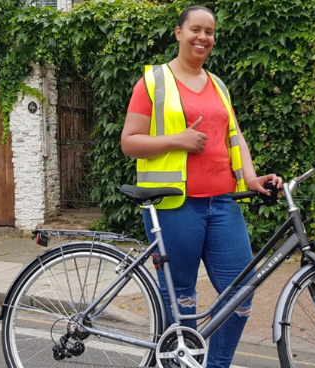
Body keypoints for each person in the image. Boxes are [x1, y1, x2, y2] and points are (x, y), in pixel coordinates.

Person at [120, 5, 282, 368]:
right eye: (195, 29)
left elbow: (234, 136)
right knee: (181, 299)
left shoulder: (218, 84)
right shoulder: (153, 81)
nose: (203, 38)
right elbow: (129, 142)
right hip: (175, 206)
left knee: (241, 293)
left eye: (209, 32)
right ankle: (177, 361)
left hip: (222, 203)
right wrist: (177, 140)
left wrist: (251, 177)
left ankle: (217, 364)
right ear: (178, 33)